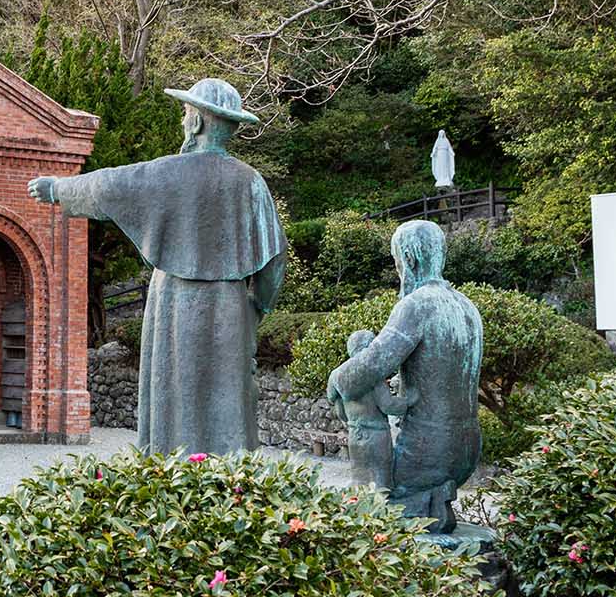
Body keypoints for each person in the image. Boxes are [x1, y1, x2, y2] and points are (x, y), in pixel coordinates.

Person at [28, 77, 284, 456]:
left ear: (197, 122)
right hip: (231, 306)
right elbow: (273, 263)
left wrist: (57, 189)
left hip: (173, 302)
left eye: (186, 114)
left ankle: (168, 478)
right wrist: (255, 307)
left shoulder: (167, 174)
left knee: (172, 390)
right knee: (230, 396)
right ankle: (233, 484)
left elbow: (109, 187)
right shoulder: (251, 183)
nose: (183, 122)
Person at [327, 220, 482, 532]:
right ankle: (432, 505)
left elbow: (371, 366)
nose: (399, 270)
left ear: (409, 260)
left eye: (398, 261)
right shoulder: (467, 307)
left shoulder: (417, 304)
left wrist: (336, 380)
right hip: (467, 452)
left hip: (426, 454)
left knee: (370, 494)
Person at [337, 329, 416, 490]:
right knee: (382, 483)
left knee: (359, 481)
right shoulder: (372, 376)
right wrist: (409, 401)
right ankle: (385, 514)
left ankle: (362, 513)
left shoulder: (337, 377)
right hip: (376, 435)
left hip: (355, 434)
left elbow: (340, 411)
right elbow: (389, 406)